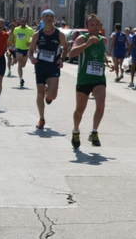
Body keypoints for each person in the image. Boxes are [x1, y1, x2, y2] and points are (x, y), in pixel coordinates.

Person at [69, 14, 114, 148]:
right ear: (87, 26)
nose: (95, 28)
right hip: (84, 79)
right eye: (92, 25)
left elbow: (101, 53)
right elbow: (71, 54)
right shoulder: (82, 38)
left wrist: (108, 61)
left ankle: (94, 132)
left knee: (100, 105)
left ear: (100, 26)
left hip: (99, 78)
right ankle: (76, 131)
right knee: (79, 111)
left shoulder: (103, 40)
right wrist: (87, 44)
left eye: (97, 25)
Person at [28, 9, 68, 129]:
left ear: (54, 19)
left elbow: (65, 48)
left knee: (53, 95)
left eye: (51, 16)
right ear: (42, 19)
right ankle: (41, 118)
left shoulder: (59, 34)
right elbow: (30, 52)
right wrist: (32, 58)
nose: (49, 18)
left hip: (53, 66)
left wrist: (62, 58)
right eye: (46, 16)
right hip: (40, 65)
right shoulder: (37, 35)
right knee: (39, 94)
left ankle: (48, 94)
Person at [14, 16, 34, 87]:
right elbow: (14, 37)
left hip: (26, 49)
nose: (23, 23)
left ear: (26, 22)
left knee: (23, 65)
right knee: (19, 63)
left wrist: (30, 42)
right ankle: (21, 79)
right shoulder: (16, 29)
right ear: (20, 22)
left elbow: (33, 37)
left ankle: (20, 77)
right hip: (18, 48)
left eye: (24, 21)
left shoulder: (29, 29)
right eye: (22, 21)